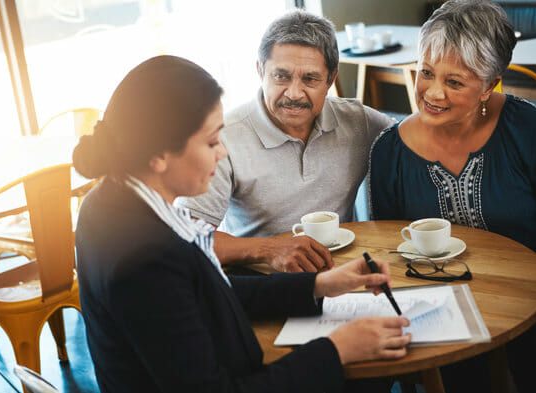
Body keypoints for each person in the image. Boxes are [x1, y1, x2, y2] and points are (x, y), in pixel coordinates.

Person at [73, 55, 410, 393]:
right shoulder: (145, 258)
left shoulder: (111, 202)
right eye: (210, 141)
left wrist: (320, 284)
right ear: (159, 155)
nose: (221, 153)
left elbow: (205, 292)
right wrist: (338, 350)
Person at [368, 1, 536, 392]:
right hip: (439, 313)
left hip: (530, 302)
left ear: (490, 85)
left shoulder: (528, 131)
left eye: (455, 82)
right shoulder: (388, 153)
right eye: (426, 72)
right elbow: (392, 253)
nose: (432, 92)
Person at [177, 11, 395, 273]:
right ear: (260, 71)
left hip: (342, 273)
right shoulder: (223, 137)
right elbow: (187, 239)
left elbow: (412, 137)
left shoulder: (358, 121)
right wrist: (268, 250)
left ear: (330, 80)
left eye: (310, 79)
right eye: (281, 76)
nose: (293, 93)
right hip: (261, 283)